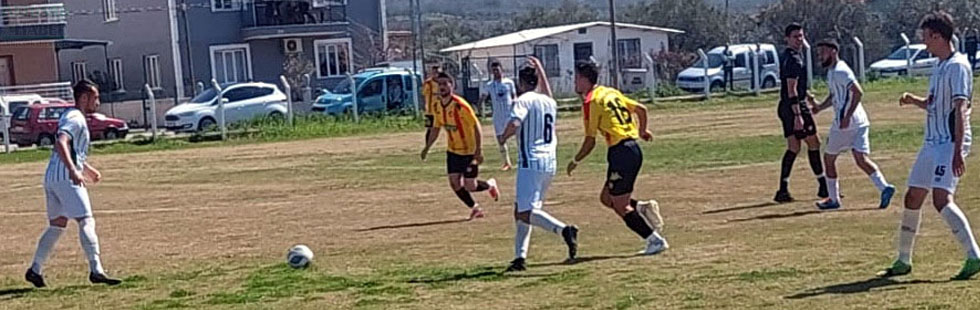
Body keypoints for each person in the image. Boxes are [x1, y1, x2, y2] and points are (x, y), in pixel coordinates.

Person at [878, 11, 980, 281]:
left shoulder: (958, 66)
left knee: (940, 199)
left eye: (926, 38)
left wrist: (958, 151)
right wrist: (916, 101)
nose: (924, 44)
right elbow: (937, 104)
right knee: (912, 196)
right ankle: (903, 260)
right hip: (932, 142)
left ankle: (974, 256)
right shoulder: (939, 65)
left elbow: (960, 109)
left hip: (949, 142)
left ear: (937, 36)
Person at [25, 80, 122, 288]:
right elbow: (61, 142)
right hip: (64, 177)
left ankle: (35, 270)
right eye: (95, 97)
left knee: (57, 225)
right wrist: (73, 171)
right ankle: (97, 270)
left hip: (52, 176)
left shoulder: (73, 117)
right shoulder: (75, 117)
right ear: (84, 98)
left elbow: (73, 151)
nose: (98, 101)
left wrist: (87, 170)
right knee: (86, 220)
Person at [566, 60, 666, 255]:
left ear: (585, 80)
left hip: (621, 153)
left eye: (577, 78)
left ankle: (654, 240)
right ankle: (643, 208)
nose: (575, 82)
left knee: (620, 205)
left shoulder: (591, 101)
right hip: (632, 149)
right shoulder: (609, 92)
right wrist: (642, 131)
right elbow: (641, 110)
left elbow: (590, 141)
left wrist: (575, 161)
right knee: (606, 198)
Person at [498, 57, 576, 272]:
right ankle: (519, 257)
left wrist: (503, 137)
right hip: (549, 162)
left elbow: (515, 123)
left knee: (525, 212)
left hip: (530, 161)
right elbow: (548, 92)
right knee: (523, 210)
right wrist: (541, 68)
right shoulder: (548, 102)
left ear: (521, 83)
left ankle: (563, 230)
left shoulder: (523, 100)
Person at [809, 39, 896, 210]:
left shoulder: (841, 70)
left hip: (845, 123)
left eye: (823, 52)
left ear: (833, 51)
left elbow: (857, 92)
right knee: (861, 159)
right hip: (861, 121)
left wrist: (847, 116)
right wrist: (819, 107)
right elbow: (835, 96)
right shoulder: (832, 72)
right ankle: (884, 187)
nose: (820, 56)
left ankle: (833, 199)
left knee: (828, 158)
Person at [421, 72, 500, 220]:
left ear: (452, 85)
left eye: (446, 84)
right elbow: (436, 128)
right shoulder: (437, 106)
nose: (442, 87)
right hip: (453, 151)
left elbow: (476, 125)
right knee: (454, 183)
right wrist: (427, 147)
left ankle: (489, 185)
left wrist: (478, 150)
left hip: (469, 151)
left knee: (470, 185)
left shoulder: (460, 105)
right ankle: (475, 208)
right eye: (440, 84)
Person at [774, 23, 828, 203]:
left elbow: (798, 87)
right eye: (795, 36)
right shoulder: (794, 60)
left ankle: (782, 189)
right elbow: (792, 89)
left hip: (785, 106)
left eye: (801, 36)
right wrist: (798, 116)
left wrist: (811, 99)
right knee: (814, 142)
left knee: (794, 147)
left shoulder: (788, 56)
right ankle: (823, 186)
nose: (799, 40)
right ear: (787, 38)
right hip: (794, 107)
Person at [479, 60, 518, 171]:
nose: (496, 72)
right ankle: (506, 163)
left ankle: (523, 158)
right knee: (501, 139)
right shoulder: (490, 85)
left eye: (497, 69)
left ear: (502, 69)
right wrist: (478, 105)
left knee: (517, 135)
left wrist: (515, 101)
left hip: (510, 114)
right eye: (494, 70)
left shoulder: (509, 83)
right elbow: (483, 96)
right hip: (498, 116)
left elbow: (514, 95)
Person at [423, 65, 443, 143]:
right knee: (430, 127)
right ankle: (427, 145)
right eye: (434, 72)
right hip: (430, 110)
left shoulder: (443, 82)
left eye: (437, 72)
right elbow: (424, 94)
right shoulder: (428, 83)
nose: (436, 74)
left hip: (441, 109)